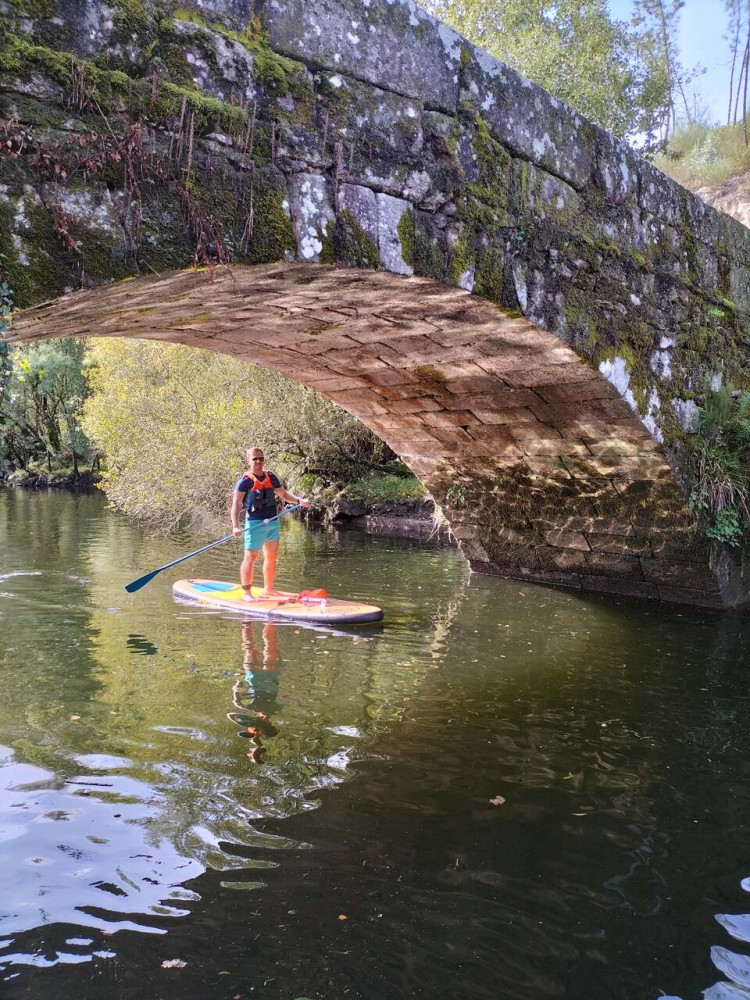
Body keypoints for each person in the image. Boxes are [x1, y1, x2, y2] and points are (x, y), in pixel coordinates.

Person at [230, 447, 309, 601]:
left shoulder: (270, 476)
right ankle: (247, 593)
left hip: (272, 522)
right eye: (255, 459)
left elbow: (284, 494)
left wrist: (299, 501)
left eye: (261, 458)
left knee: (272, 556)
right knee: (251, 556)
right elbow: (236, 504)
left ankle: (269, 589)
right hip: (254, 524)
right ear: (249, 461)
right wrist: (235, 525)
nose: (258, 461)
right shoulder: (244, 481)